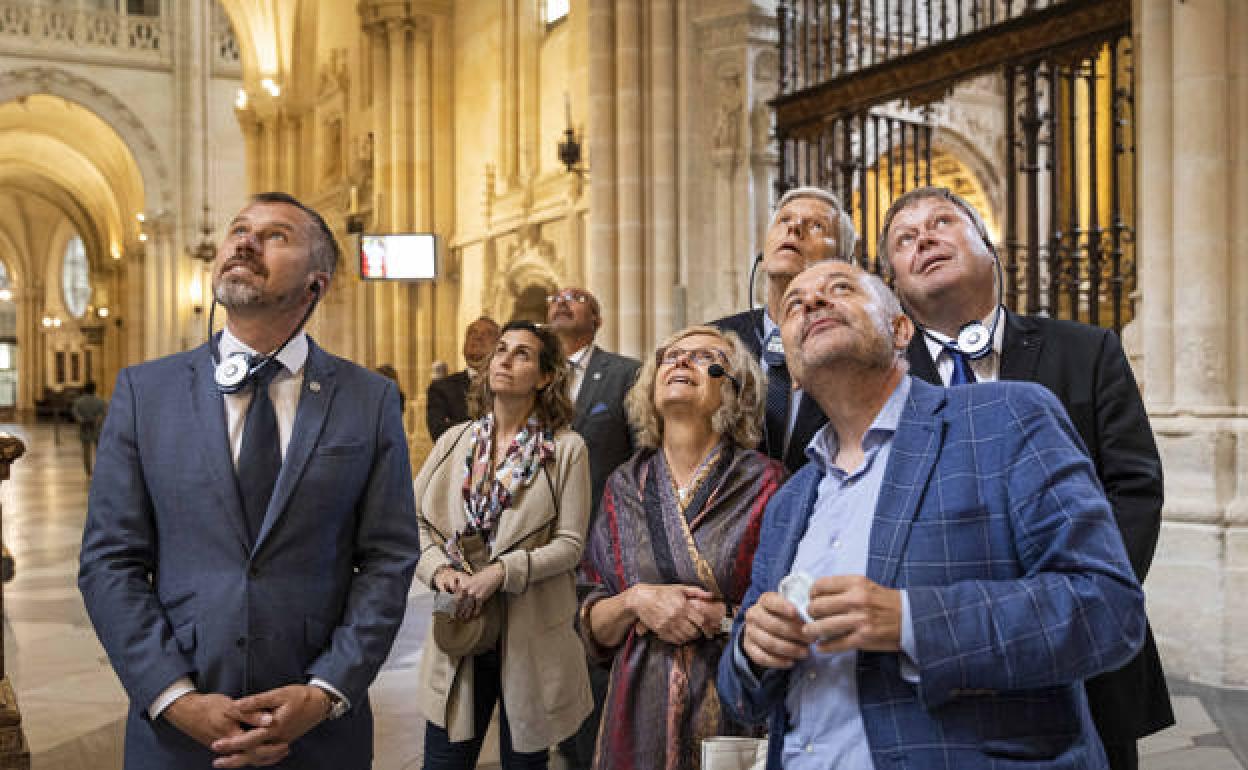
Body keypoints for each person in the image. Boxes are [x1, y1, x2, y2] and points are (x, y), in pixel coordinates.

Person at [718, 260, 1147, 769]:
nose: (810, 302)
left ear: (900, 329)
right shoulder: (790, 501)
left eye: (840, 289)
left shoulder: (1005, 419)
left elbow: (1107, 609)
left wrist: (911, 622)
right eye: (793, 304)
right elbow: (738, 693)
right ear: (788, 360)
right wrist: (751, 648)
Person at [78, 192, 421, 769]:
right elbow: (110, 559)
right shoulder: (147, 392)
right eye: (239, 229)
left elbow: (388, 558)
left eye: (275, 235)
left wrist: (327, 690)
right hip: (179, 734)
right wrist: (174, 695)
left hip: (316, 731)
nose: (244, 241)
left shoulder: (367, 400)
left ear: (318, 281)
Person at [877, 185, 1173, 769]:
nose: (924, 240)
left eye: (942, 223)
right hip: (937, 673)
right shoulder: (881, 385)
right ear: (894, 285)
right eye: (905, 240)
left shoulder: (1085, 351)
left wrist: (1067, 609)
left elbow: (1135, 489)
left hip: (1082, 656)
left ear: (991, 250)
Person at [578, 325, 785, 770]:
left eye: (704, 356)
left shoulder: (768, 483)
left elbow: (789, 612)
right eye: (670, 356)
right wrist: (636, 601)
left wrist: (722, 619)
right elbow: (591, 623)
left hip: (733, 710)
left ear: (736, 389)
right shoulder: (623, 486)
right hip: (636, 711)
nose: (680, 361)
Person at [413, 320, 592, 770]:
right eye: (501, 351)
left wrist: (502, 572)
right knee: (444, 761)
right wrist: (439, 570)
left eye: (523, 355)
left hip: (529, 632)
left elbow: (571, 544)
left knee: (525, 759)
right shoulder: (456, 442)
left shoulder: (566, 449)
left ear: (546, 376)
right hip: (462, 628)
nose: (506, 361)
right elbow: (411, 522)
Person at [545, 286, 641, 770]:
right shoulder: (534, 375)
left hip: (596, 538)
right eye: (555, 298)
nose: (562, 302)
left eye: (576, 298)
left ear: (597, 317)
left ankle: (590, 751)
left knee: (589, 650)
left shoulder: (624, 373)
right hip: (537, 543)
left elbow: (641, 454)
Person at [711, 186, 855, 472]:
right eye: (784, 221)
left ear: (842, 262)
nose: (795, 229)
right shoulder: (719, 340)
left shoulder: (854, 349)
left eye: (816, 226)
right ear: (763, 256)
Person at [426, 317, 501, 441]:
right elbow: (440, 434)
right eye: (472, 333)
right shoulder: (442, 388)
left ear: (500, 346)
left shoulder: (507, 385)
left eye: (487, 333)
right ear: (463, 346)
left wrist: (458, 425)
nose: (478, 337)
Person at [71, 380, 107, 476]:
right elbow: (103, 414)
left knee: (86, 451)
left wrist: (82, 421)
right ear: (94, 389)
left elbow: (75, 413)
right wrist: (95, 421)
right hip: (97, 429)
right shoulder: (100, 401)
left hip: (84, 428)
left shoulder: (78, 401)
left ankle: (88, 472)